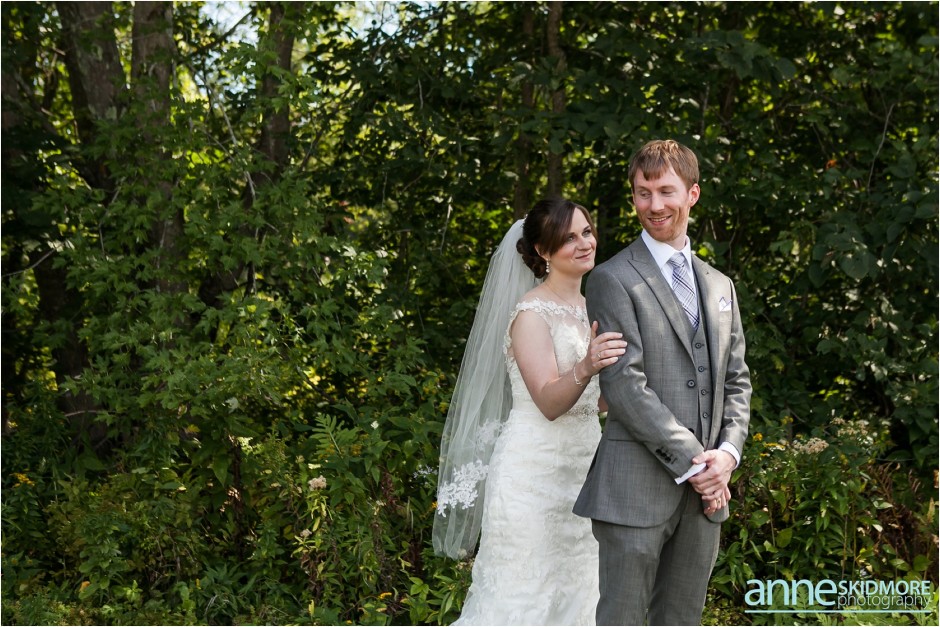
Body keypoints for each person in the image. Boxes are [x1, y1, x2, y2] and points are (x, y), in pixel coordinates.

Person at [574, 139, 752, 625]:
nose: (654, 206)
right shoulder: (612, 279)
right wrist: (698, 465)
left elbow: (736, 380)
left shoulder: (719, 285)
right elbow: (625, 386)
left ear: (692, 194)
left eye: (666, 191)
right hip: (634, 491)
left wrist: (727, 457)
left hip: (705, 497)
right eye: (642, 193)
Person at [433, 198, 628, 625]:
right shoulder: (530, 314)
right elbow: (548, 401)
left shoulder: (594, 309)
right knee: (522, 597)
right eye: (568, 238)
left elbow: (598, 401)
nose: (583, 244)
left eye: (587, 232)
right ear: (542, 252)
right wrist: (588, 363)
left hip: (586, 471)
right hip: (532, 476)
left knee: (583, 593)